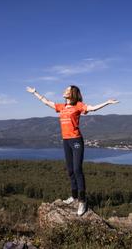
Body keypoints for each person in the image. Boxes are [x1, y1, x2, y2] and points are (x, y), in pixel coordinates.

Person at [26, 85, 119, 216]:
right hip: (66, 141)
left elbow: (91, 108)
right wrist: (35, 92)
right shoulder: (62, 107)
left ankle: (82, 201)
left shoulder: (78, 106)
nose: (64, 91)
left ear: (73, 93)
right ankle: (74, 196)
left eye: (67, 90)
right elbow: (46, 102)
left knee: (77, 170)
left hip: (76, 141)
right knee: (70, 171)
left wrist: (107, 103)